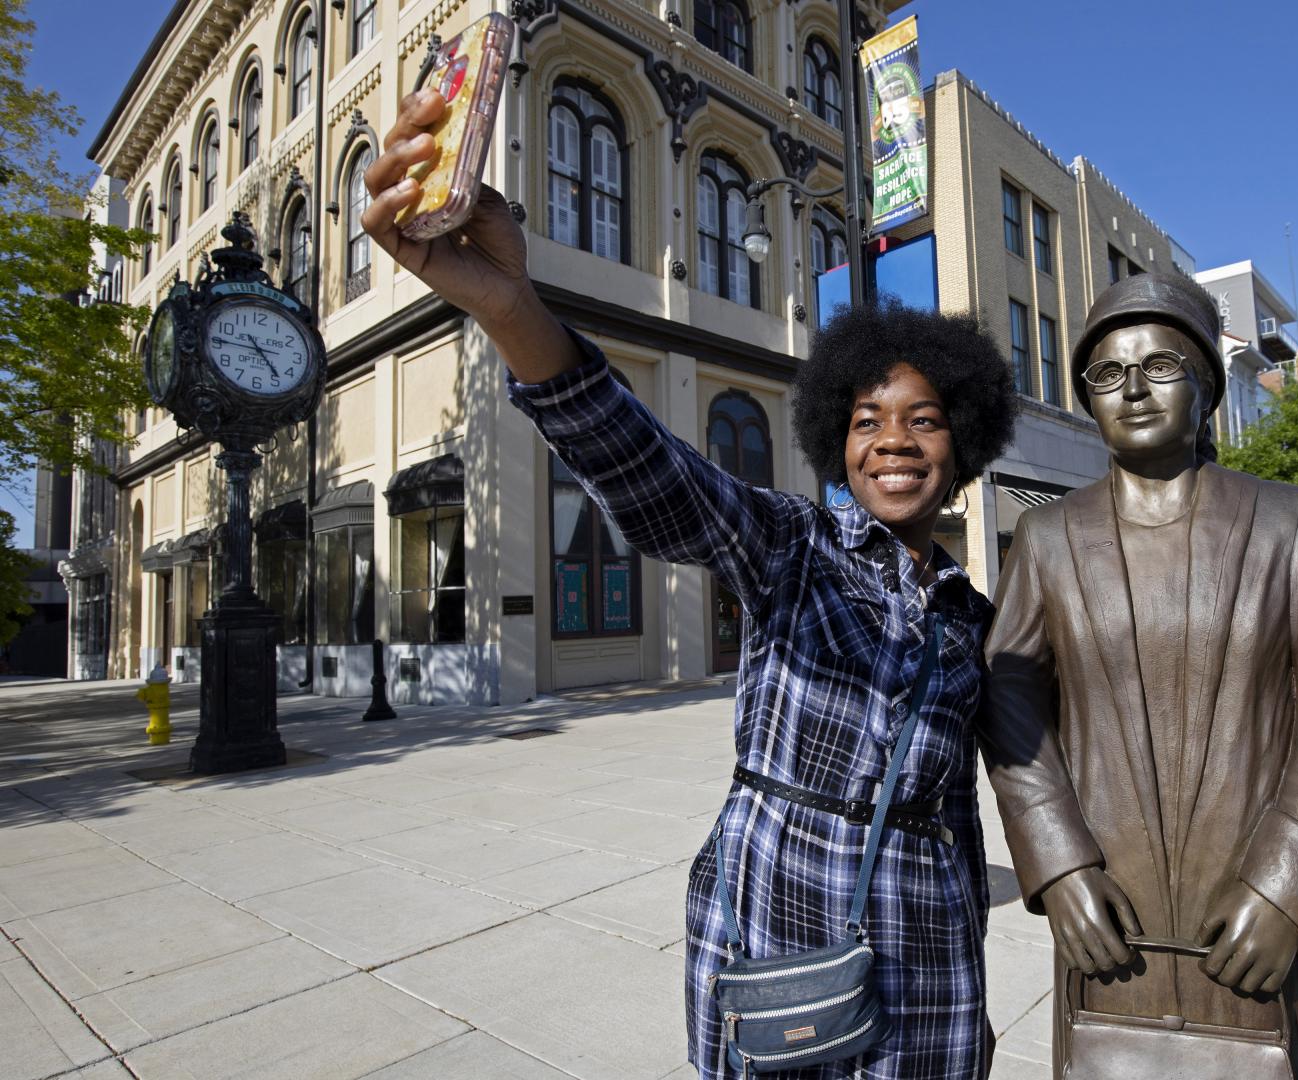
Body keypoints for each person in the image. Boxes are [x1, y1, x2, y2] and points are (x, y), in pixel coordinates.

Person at [363, 89, 1019, 1079]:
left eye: (923, 419)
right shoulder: (791, 547)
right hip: (780, 928)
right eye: (867, 420)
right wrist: (510, 307)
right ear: (836, 446)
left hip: (930, 958)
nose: (893, 439)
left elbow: (970, 809)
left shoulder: (976, 619)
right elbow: (647, 471)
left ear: (961, 442)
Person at [982, 272, 1298, 1079]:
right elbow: (1009, 700)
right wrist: (1058, 863)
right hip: (1110, 930)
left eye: (1162, 365)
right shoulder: (1047, 540)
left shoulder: (1289, 524)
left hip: (1254, 929)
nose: (1134, 389)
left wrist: (1293, 885)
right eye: (1107, 374)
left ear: (1207, 388)